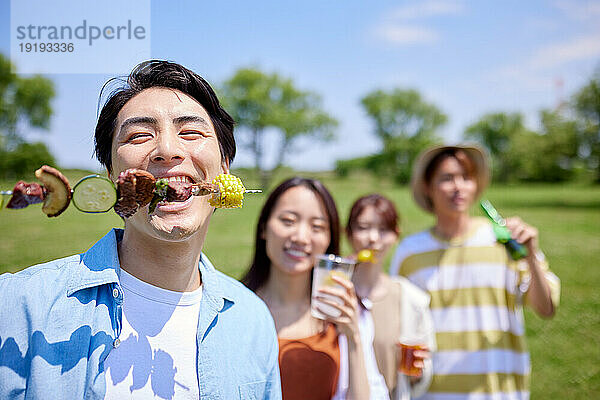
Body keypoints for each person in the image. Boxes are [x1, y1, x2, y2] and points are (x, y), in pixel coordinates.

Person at [0, 60, 281, 399]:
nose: (166, 150)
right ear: (110, 176)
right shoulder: (15, 306)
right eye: (139, 136)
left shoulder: (254, 321)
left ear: (224, 166)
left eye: (190, 132)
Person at [389, 144, 560, 400]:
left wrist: (531, 255)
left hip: (499, 392)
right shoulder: (410, 252)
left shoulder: (505, 240)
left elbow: (546, 308)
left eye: (466, 178)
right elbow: (397, 325)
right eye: (447, 178)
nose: (458, 186)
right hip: (432, 393)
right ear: (427, 186)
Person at [242, 177, 388, 400]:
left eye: (317, 227)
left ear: (329, 239)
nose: (301, 237)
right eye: (288, 220)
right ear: (263, 227)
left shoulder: (343, 312)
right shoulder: (233, 309)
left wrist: (354, 339)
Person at [346, 194, 435, 400]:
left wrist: (417, 372)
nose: (373, 238)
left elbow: (422, 373)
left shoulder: (411, 299)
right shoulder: (334, 291)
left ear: (396, 235)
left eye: (383, 229)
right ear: (348, 234)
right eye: (363, 227)